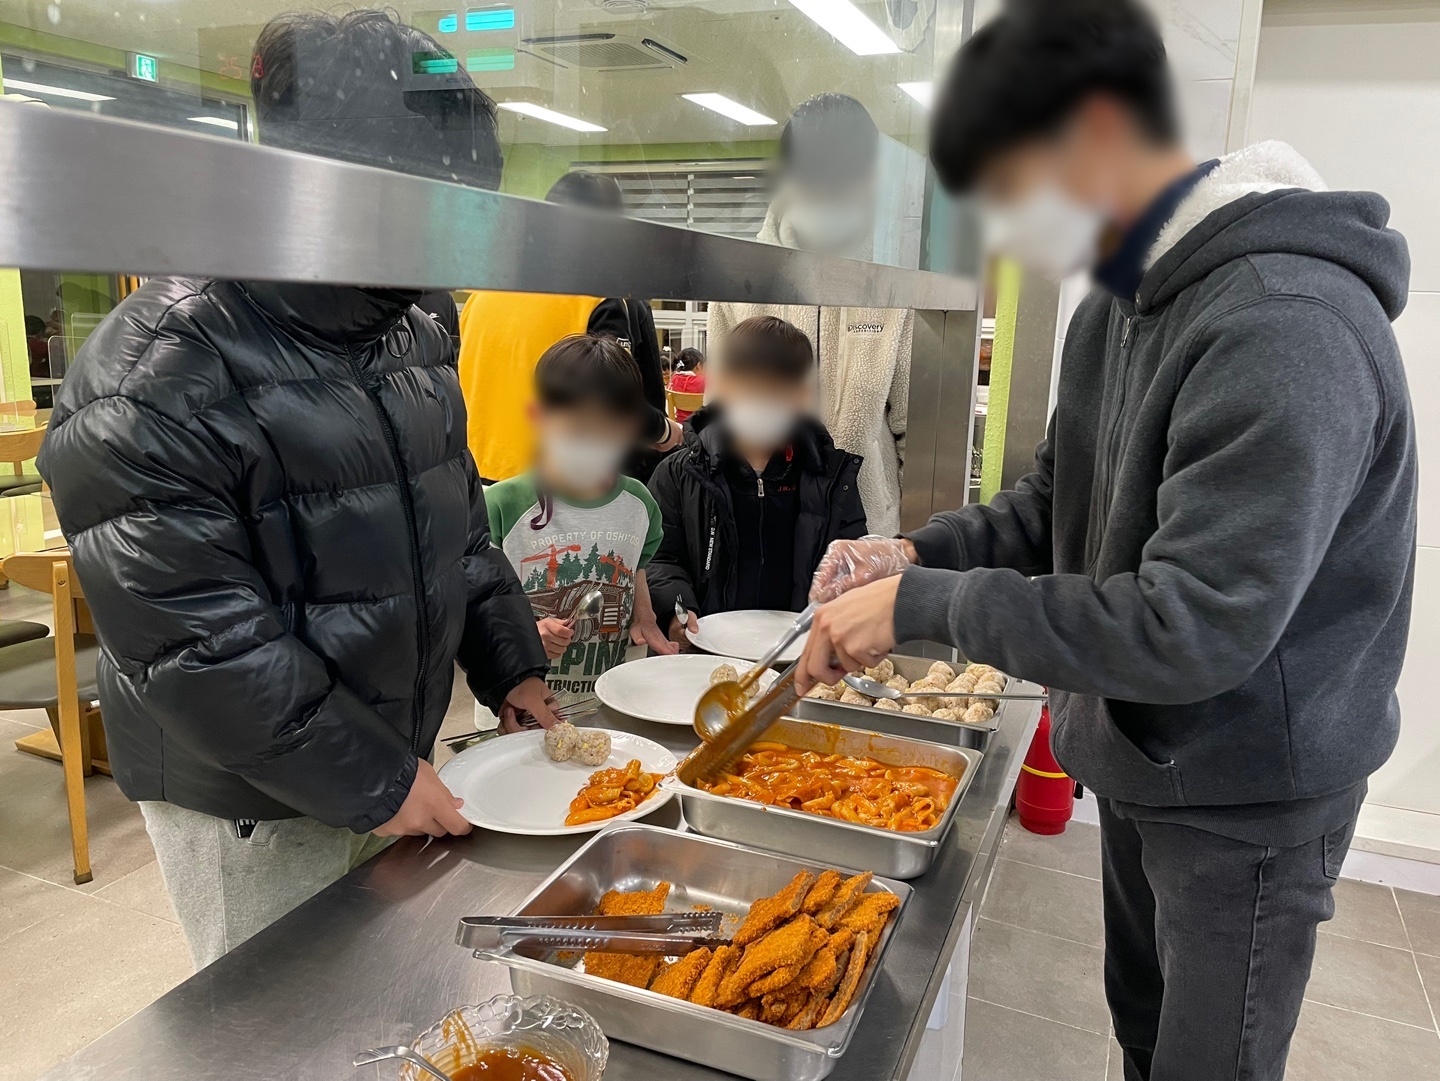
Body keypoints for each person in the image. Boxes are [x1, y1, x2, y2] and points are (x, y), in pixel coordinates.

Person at [798, 3, 1415, 1079]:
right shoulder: (1119, 306)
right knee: (1141, 1025)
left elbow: (1192, 625)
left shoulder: (1285, 323)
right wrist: (916, 555)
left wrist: (922, 609)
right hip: (1141, 751)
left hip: (1249, 798)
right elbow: (1056, 504)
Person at [37, 9, 558, 970]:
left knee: (388, 988)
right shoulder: (155, 370)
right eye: (436, 203)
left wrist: (511, 665)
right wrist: (372, 775)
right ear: (332, 180)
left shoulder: (412, 329)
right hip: (246, 797)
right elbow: (196, 642)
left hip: (384, 751)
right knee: (285, 1015)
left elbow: (458, 534)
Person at [707, 93, 911, 536]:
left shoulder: (896, 283)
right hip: (762, 530)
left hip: (866, 531)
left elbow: (911, 430)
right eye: (815, 182)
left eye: (841, 184)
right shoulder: (743, 278)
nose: (827, 197)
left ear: (870, 179)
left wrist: (908, 539)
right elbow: (719, 412)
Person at [647, 316, 867, 643]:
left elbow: (851, 563)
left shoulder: (831, 479)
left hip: (798, 650)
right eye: (749, 391)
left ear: (801, 395)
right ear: (724, 387)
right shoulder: (680, 473)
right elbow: (660, 558)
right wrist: (677, 610)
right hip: (706, 649)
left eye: (776, 394)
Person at [484, 335, 676, 699]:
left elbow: (636, 565)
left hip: (612, 700)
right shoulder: (501, 505)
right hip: (521, 707)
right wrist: (523, 636)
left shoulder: (640, 503)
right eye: (576, 430)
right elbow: (476, 610)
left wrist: (645, 616)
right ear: (538, 417)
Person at [457, 171, 680, 484]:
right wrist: (667, 432)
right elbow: (615, 398)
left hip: (478, 478)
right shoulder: (598, 298)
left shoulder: (481, 296)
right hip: (557, 485)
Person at [668, 347, 706, 421]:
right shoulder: (704, 381)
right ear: (698, 366)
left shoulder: (674, 379)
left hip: (680, 422)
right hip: (701, 423)